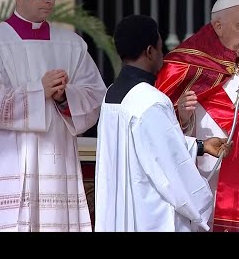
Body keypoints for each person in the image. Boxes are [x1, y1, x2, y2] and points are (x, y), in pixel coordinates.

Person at [155, 0, 239, 232]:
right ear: (217, 26)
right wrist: (183, 117)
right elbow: (160, 129)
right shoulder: (184, 65)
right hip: (211, 173)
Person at [94, 15, 231, 232]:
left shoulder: (111, 94)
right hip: (150, 215)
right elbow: (171, 167)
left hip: (120, 211)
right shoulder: (151, 101)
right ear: (150, 51)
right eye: (160, 47)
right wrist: (202, 203)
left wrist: (202, 146)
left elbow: (149, 148)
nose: (163, 55)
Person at [0, 0, 107, 231]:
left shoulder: (71, 43)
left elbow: (96, 94)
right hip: (11, 161)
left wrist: (63, 97)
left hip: (58, 166)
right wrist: (39, 91)